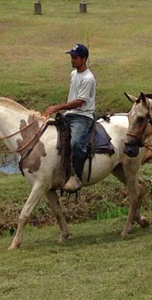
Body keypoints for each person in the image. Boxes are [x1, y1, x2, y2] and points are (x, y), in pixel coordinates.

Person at [43, 43, 96, 192]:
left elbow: (79, 102)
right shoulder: (74, 74)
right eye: (71, 57)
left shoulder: (88, 78)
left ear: (84, 59)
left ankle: (77, 176)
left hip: (83, 116)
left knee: (77, 144)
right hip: (70, 115)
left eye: (75, 57)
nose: (72, 60)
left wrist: (58, 107)